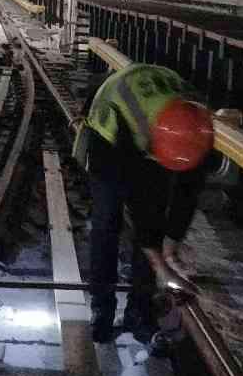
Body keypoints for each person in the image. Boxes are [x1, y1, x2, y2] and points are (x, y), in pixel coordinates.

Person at [74, 61, 214, 344]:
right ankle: (102, 307)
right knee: (107, 223)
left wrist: (171, 247)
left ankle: (139, 312)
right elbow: (143, 215)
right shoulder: (124, 130)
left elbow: (188, 193)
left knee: (155, 221)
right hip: (109, 136)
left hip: (154, 122)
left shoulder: (198, 130)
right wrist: (162, 267)